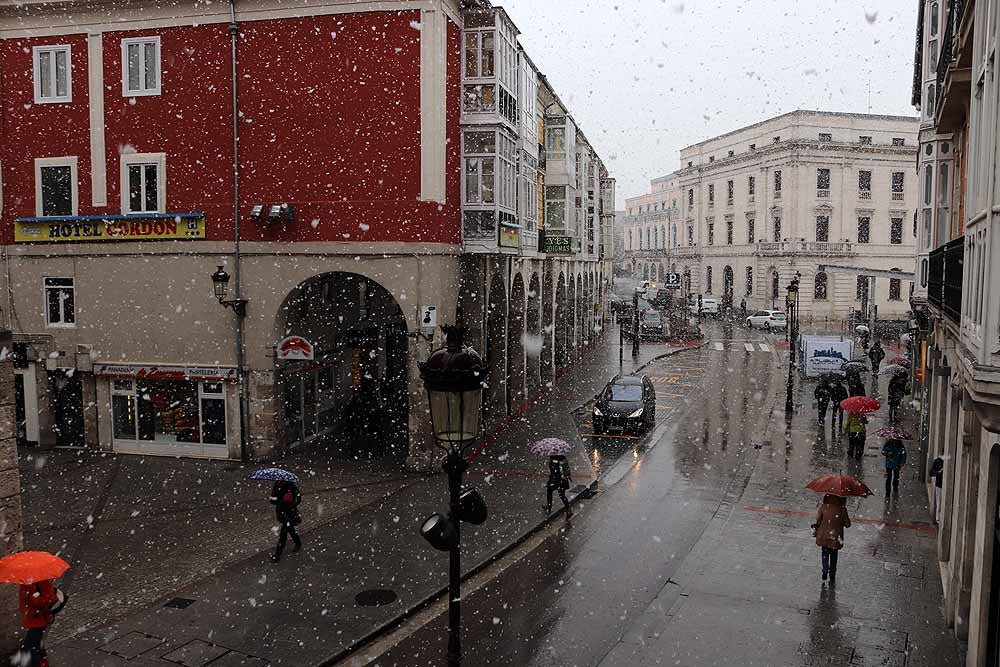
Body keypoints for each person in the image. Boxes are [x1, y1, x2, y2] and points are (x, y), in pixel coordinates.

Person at [18, 579, 61, 667]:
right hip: (31, 618)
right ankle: (41, 662)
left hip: (39, 619)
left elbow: (51, 598)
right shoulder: (24, 581)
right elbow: (23, 600)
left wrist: (35, 599)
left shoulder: (41, 581)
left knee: (30, 647)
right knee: (35, 645)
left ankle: (36, 662)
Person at [813, 494, 851, 583]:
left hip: (824, 535)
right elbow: (848, 524)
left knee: (825, 553)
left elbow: (818, 520)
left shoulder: (824, 506)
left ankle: (825, 570)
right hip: (835, 537)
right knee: (834, 555)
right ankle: (832, 574)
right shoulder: (842, 509)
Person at [270, 479, 302, 562]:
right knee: (290, 529)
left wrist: (291, 502)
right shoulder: (276, 485)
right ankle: (298, 542)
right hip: (281, 512)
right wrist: (281, 501)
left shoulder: (291, 485)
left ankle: (277, 555)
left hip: (290, 512)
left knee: (283, 533)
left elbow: (298, 498)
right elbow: (272, 500)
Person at [930, 457, 945, 524]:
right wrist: (939, 472)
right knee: (939, 502)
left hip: (940, 484)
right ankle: (937, 519)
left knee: (940, 502)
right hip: (939, 485)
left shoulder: (940, 461)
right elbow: (931, 473)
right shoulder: (938, 461)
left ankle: (938, 518)